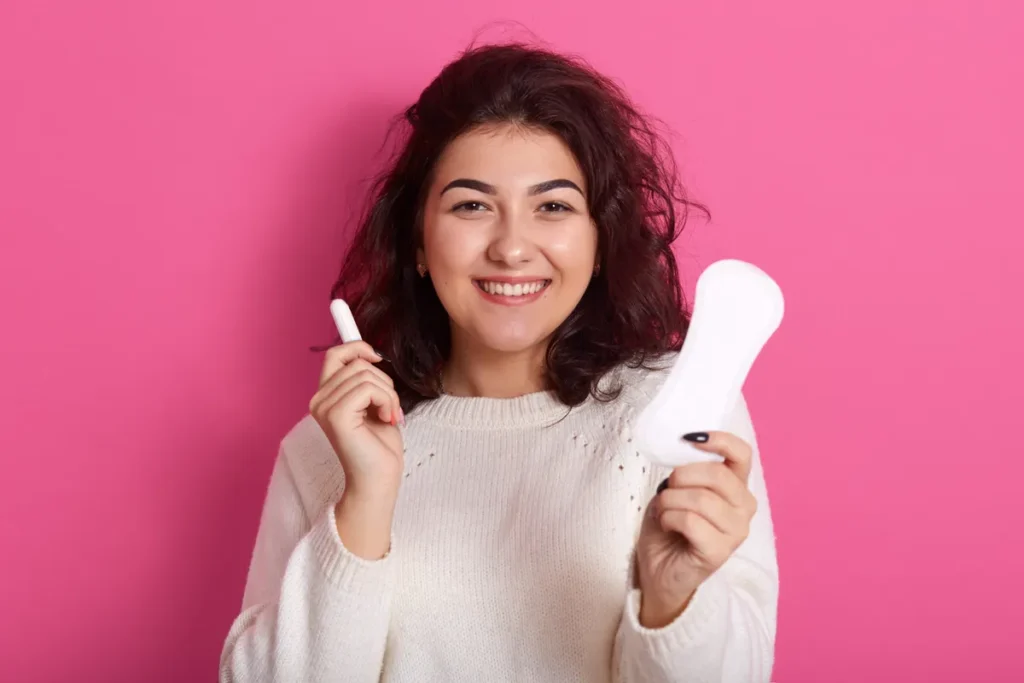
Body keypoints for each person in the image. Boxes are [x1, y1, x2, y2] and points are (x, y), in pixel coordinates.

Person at [219, 42, 778, 683]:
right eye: (472, 205)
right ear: (419, 244)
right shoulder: (324, 450)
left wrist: (671, 599)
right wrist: (364, 501)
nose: (512, 248)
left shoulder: (676, 415)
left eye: (554, 207)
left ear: (600, 241)